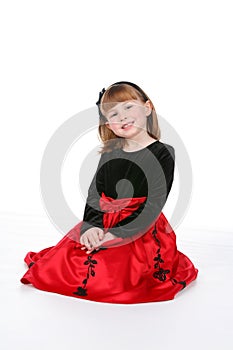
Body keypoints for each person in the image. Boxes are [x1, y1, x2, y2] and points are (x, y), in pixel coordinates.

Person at [20, 81, 198, 303]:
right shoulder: (110, 152)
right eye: (113, 113)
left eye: (128, 107)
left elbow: (154, 203)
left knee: (117, 273)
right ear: (108, 124)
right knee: (68, 262)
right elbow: (95, 193)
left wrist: (119, 233)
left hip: (140, 224)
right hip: (103, 218)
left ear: (147, 107)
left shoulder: (163, 153)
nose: (122, 117)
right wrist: (91, 226)